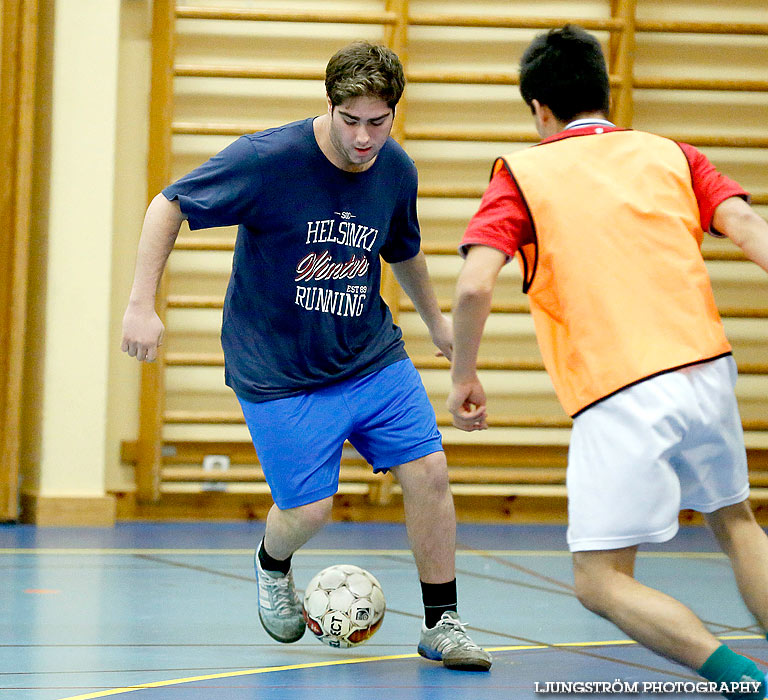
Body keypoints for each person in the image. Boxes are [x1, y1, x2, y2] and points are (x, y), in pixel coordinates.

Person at [121, 41, 491, 671]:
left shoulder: (396, 169)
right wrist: (139, 304)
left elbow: (402, 248)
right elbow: (169, 204)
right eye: (351, 121)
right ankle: (272, 561)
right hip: (279, 371)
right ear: (330, 106)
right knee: (309, 511)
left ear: (393, 115)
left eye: (378, 122)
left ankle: (442, 622)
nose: (365, 138)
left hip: (370, 355)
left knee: (428, 473)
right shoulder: (269, 158)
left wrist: (436, 323)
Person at [448, 25, 768, 697]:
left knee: (600, 581)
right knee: (737, 523)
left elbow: (475, 283)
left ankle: (743, 681)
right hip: (707, 365)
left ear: (539, 108)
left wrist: (464, 376)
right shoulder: (671, 153)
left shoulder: (523, 172)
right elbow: (748, 228)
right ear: (605, 89)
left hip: (620, 387)